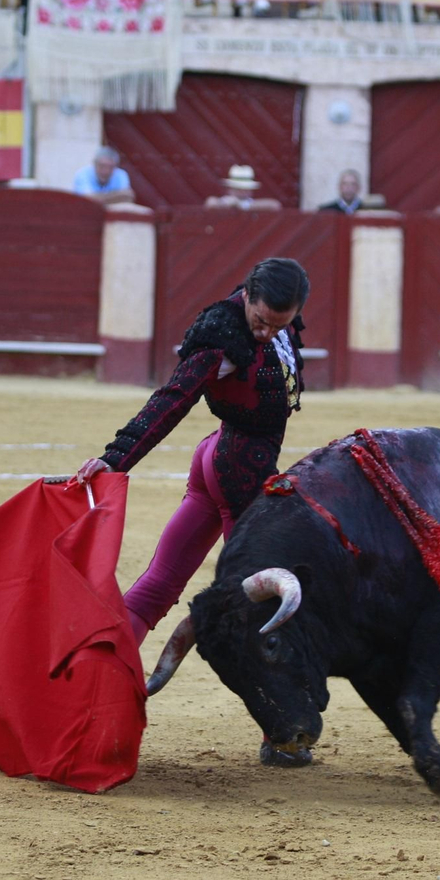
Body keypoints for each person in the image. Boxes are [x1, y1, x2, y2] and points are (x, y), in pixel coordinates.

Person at [69, 258, 311, 645]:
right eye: (261, 321)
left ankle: (105, 662)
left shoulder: (278, 311)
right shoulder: (221, 335)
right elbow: (173, 398)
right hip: (238, 470)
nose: (267, 333)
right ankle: (101, 667)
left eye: (278, 326)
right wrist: (115, 457)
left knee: (162, 580)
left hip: (219, 460)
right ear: (247, 296)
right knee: (257, 602)